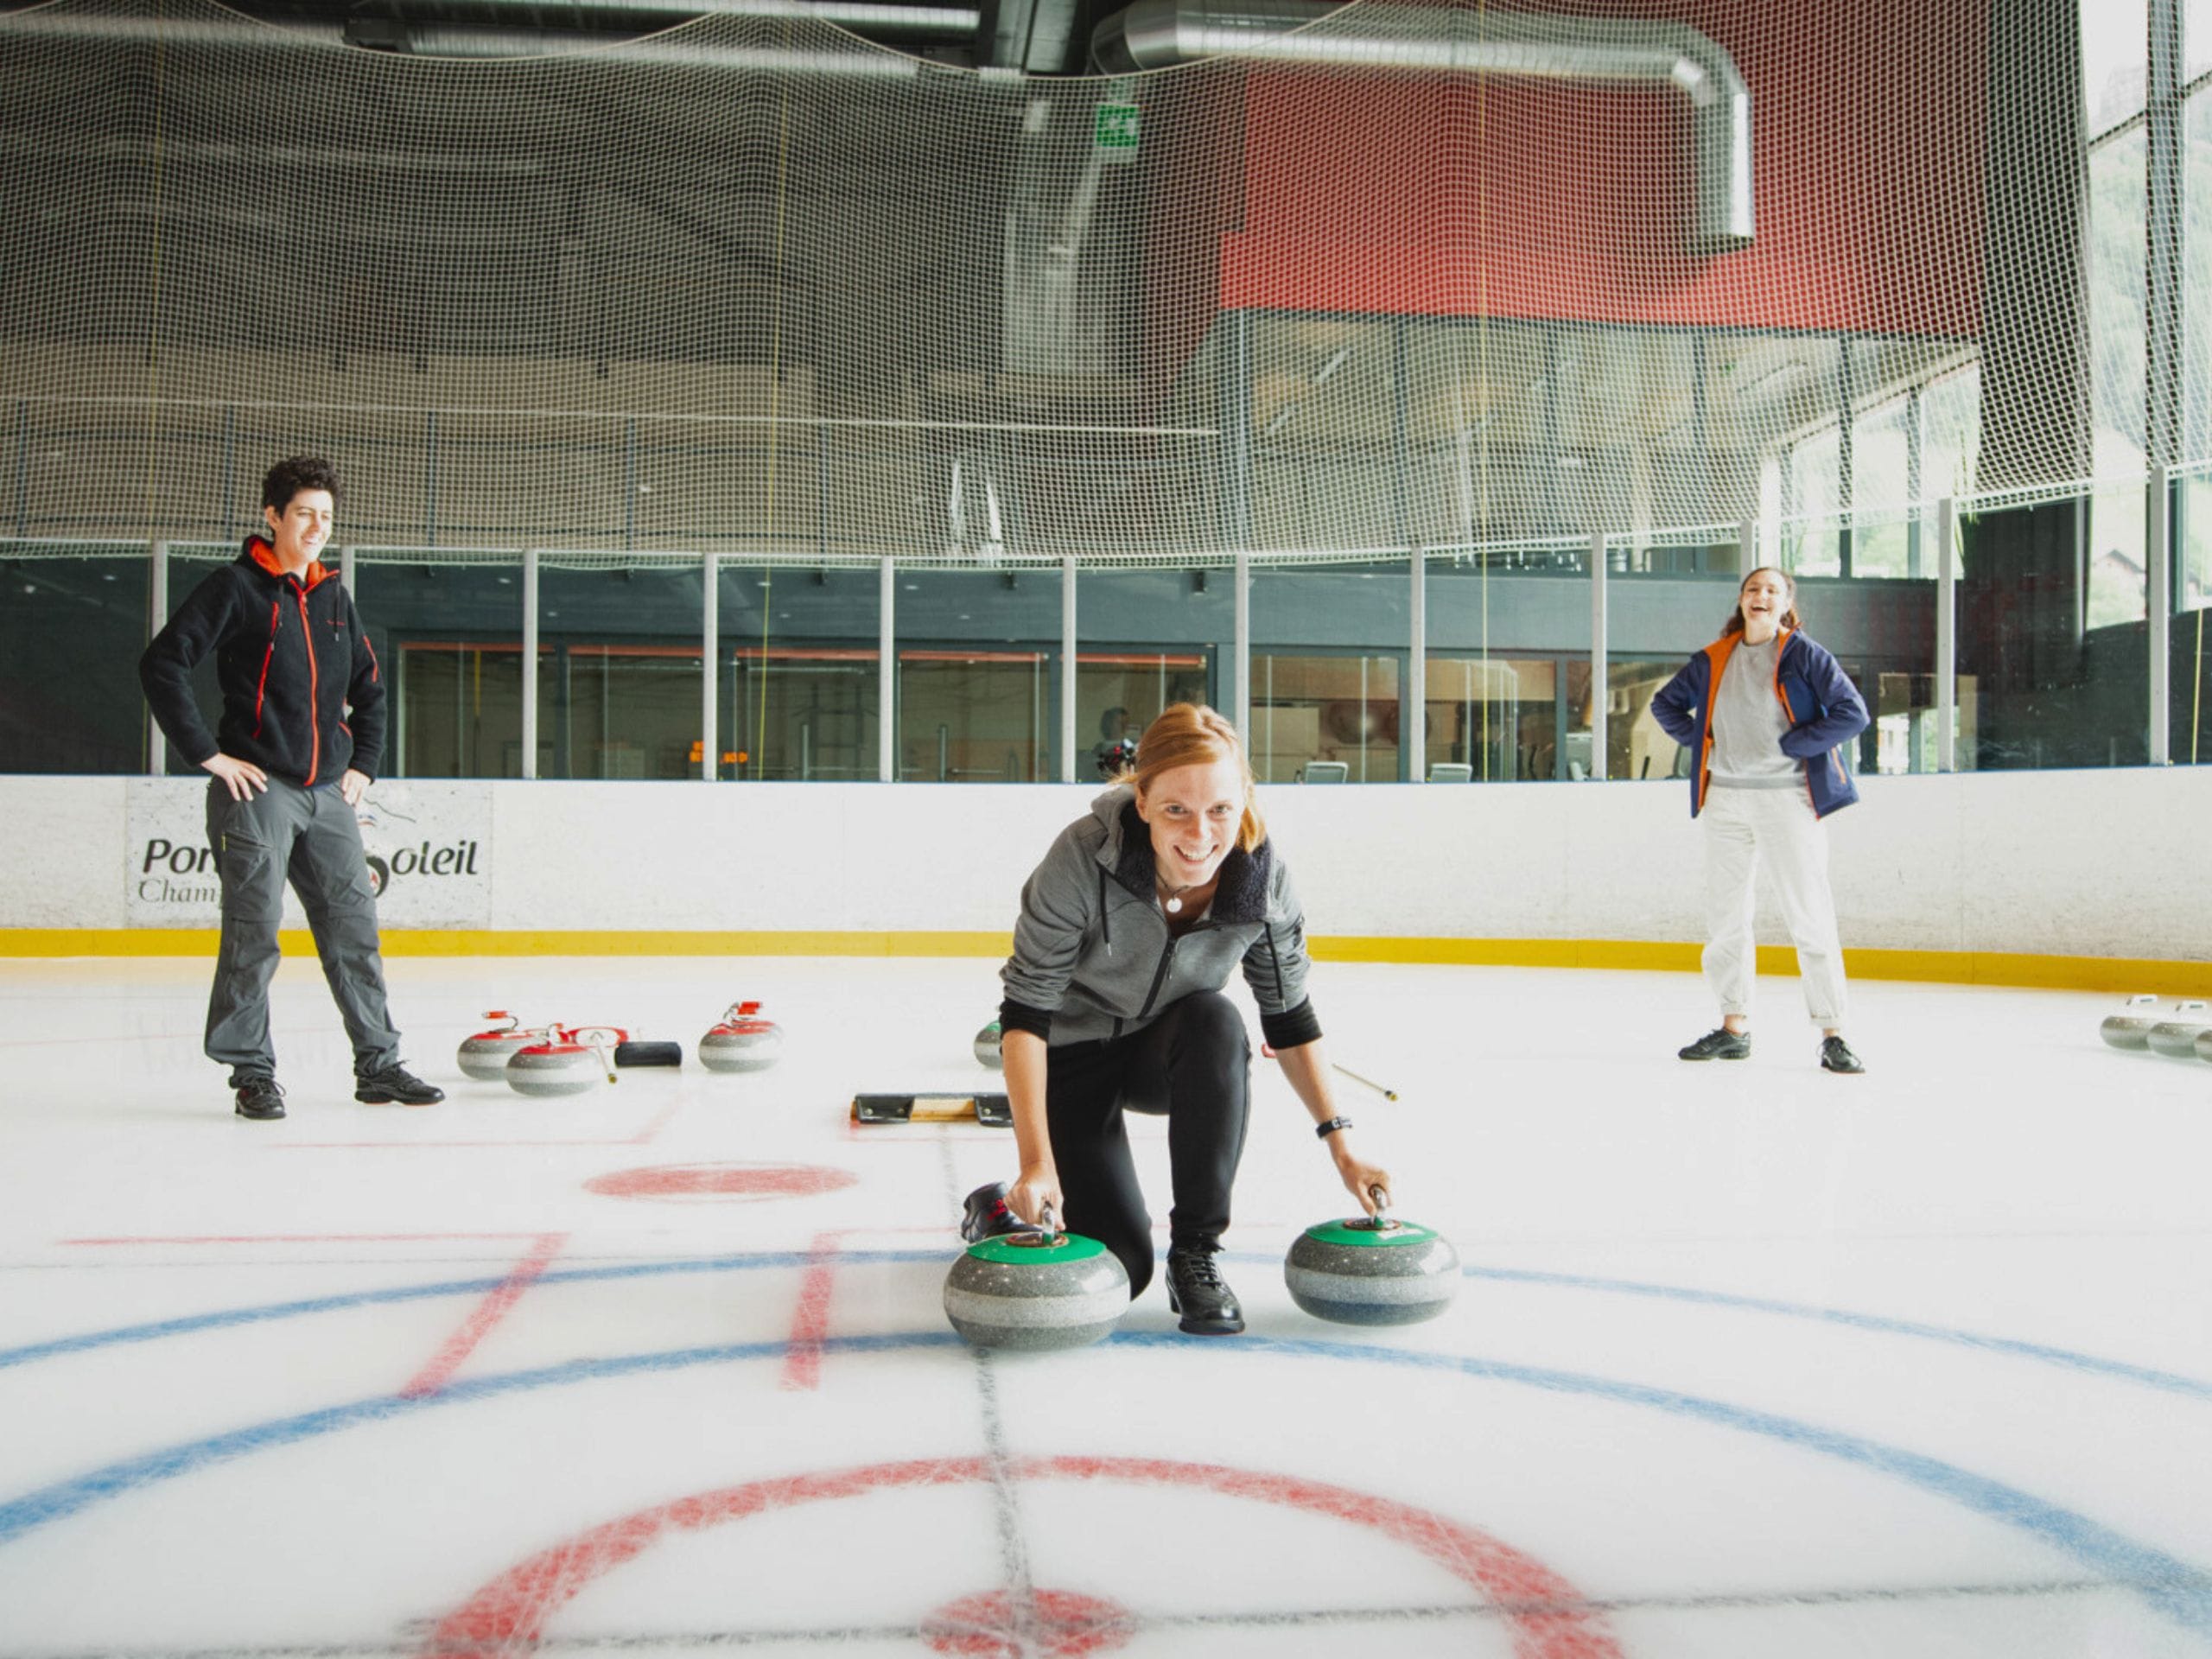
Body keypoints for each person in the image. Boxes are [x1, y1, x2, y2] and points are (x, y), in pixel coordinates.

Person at [969, 702, 1390, 1335]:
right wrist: (1037, 1163)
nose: (1200, 835)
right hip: (1071, 1057)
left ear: (1243, 800)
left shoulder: (1261, 878)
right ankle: (999, 1207)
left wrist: (1345, 1150)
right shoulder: (1082, 858)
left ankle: (1196, 1251)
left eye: (1220, 809)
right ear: (1141, 802)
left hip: (1163, 1050)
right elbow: (1025, 1014)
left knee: (1217, 1021)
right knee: (1117, 1270)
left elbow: (1290, 1018)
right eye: (1176, 810)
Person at [139, 455, 444, 1121]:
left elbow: (369, 688)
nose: (316, 527)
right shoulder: (236, 588)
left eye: (326, 517)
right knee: (254, 934)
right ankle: (252, 1072)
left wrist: (363, 762)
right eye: (304, 513)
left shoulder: (334, 596)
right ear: (273, 516)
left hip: (328, 792)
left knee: (354, 928)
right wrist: (208, 756)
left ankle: (380, 1064)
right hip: (257, 790)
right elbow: (164, 663)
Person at [1649, 566, 1869, 1074]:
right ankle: (1734, 1027)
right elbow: (1666, 705)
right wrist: (1705, 741)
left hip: (1788, 801)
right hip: (1725, 802)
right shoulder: (1713, 659)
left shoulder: (1804, 654)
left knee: (1810, 917)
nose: (1760, 596)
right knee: (1726, 919)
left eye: (1772, 590)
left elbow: (1851, 713)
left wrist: (1795, 744)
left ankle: (1833, 1032)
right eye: (1753, 589)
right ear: (1741, 600)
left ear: (1785, 601)